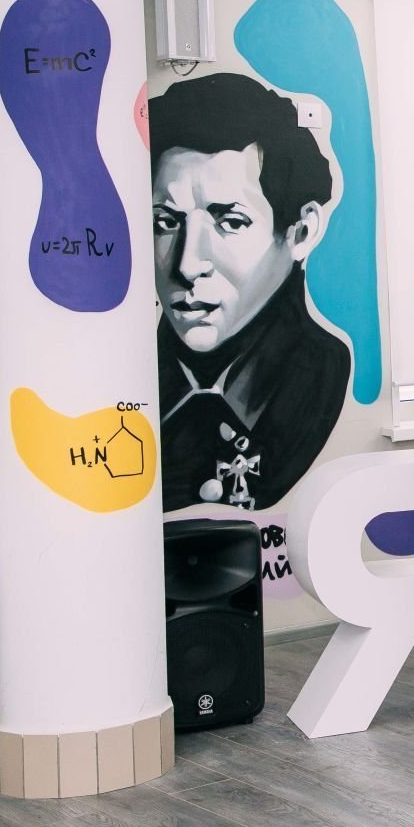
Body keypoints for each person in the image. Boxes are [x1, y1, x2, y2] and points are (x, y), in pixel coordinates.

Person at [149, 73, 350, 512]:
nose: (187, 264)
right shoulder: (131, 376)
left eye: (230, 222)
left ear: (301, 232)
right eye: (165, 222)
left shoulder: (319, 372)